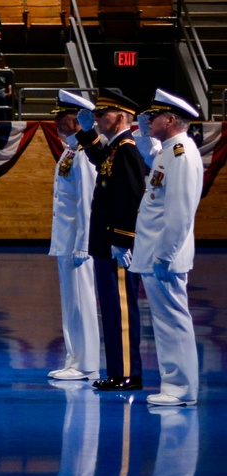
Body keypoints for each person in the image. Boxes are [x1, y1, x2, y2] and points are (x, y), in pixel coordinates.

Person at [129, 89, 203, 407]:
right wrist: (143, 134)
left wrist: (165, 254)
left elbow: (180, 211)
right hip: (156, 252)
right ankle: (174, 383)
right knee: (164, 321)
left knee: (173, 319)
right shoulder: (169, 150)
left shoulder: (182, 154)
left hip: (165, 254)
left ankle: (182, 387)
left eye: (154, 116)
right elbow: (150, 158)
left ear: (171, 119)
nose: (149, 120)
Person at [75, 88, 148, 391]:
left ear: (119, 117)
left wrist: (122, 240)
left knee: (121, 312)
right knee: (112, 310)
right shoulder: (116, 147)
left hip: (116, 245)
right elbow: (102, 163)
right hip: (106, 243)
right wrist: (88, 134)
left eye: (102, 115)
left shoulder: (128, 149)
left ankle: (128, 373)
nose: (98, 118)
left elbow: (130, 197)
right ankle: (118, 371)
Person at [47, 90, 101, 382]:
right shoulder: (71, 150)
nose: (58, 122)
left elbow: (88, 202)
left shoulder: (84, 154)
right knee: (71, 303)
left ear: (79, 120)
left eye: (63, 117)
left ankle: (88, 363)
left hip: (79, 242)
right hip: (66, 239)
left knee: (82, 302)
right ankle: (74, 359)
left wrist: (84, 244)